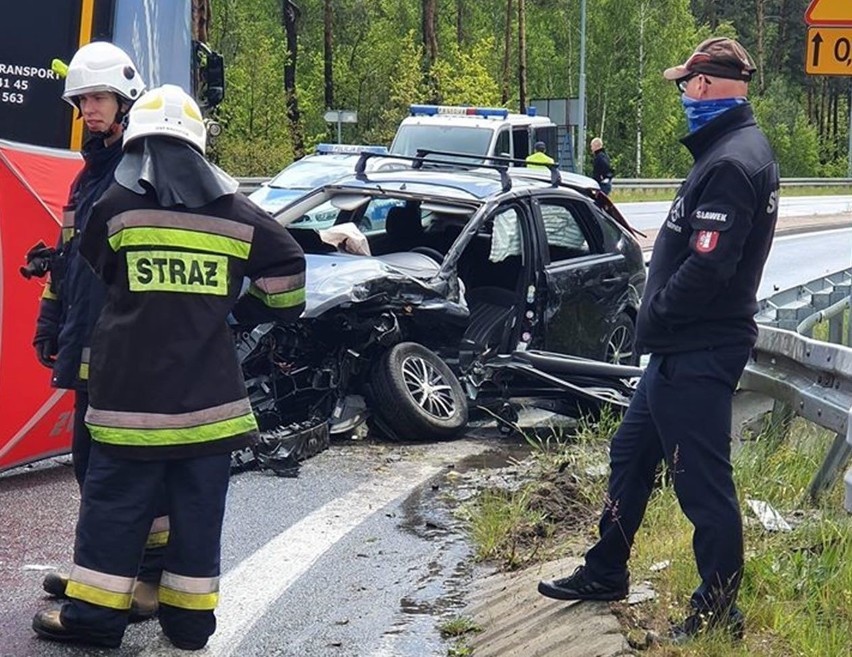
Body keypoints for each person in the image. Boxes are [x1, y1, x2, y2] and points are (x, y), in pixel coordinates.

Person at [31, 84, 307, 650]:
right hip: (210, 407)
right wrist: (236, 310)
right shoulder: (239, 213)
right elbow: (289, 275)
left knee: (113, 509)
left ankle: (95, 621)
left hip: (129, 402)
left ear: (136, 146)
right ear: (200, 147)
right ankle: (188, 626)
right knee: (196, 517)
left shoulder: (113, 207)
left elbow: (100, 270)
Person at [538, 36, 779, 642]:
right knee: (632, 454)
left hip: (696, 348)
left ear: (702, 86)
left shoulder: (730, 161)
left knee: (702, 483)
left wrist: (659, 313)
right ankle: (605, 570)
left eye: (684, 86)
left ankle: (719, 611)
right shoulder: (728, 150)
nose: (681, 98)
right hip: (679, 349)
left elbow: (709, 266)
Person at [30, 41, 165, 620]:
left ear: (127, 99)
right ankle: (104, 572)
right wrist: (49, 319)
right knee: (90, 463)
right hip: (87, 337)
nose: (89, 109)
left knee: (121, 469)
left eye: (99, 98)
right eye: (82, 99)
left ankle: (148, 582)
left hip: (125, 345)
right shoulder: (89, 176)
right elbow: (67, 258)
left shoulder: (143, 171)